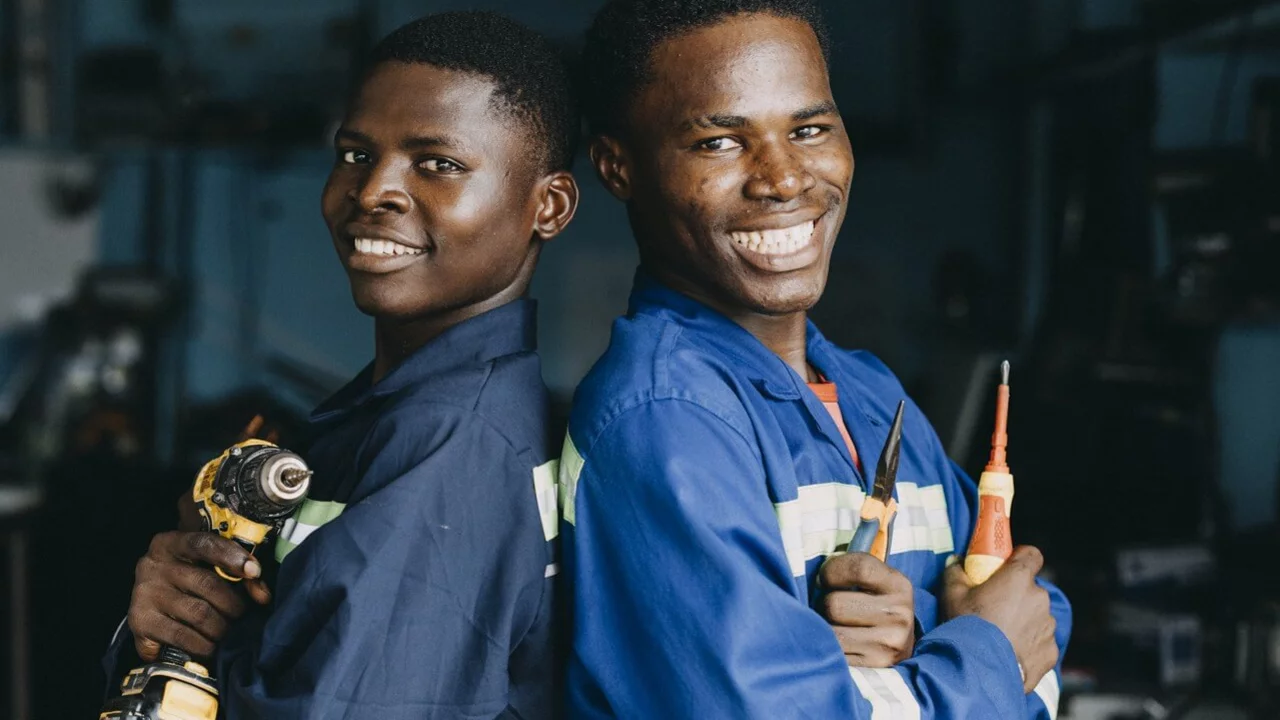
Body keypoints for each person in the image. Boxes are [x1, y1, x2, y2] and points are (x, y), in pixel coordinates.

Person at [558, 0, 1071, 717]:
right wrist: (987, 655)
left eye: (808, 130)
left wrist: (924, 626)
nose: (784, 178)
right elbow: (1011, 644)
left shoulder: (869, 392)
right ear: (618, 167)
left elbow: (1038, 615)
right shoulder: (664, 421)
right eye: (719, 142)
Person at [102, 11, 580, 718]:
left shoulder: (444, 444)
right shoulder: (413, 412)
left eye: (438, 163)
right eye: (355, 154)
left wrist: (200, 655)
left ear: (549, 206)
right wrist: (174, 623)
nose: (373, 190)